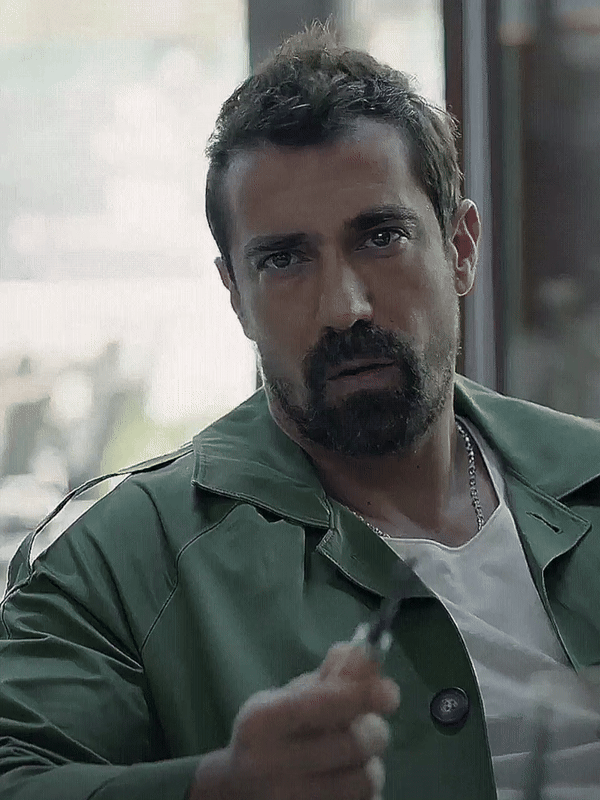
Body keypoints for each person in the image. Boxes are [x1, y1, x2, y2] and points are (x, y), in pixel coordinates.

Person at [1, 22, 600, 800]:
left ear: (460, 248)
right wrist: (220, 788)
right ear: (235, 295)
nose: (344, 306)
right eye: (284, 260)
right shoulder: (124, 560)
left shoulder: (586, 476)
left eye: (380, 237)